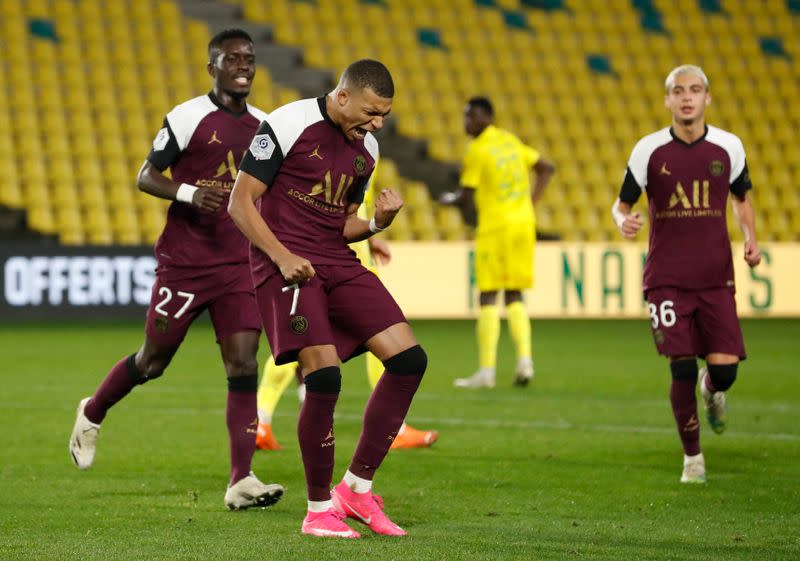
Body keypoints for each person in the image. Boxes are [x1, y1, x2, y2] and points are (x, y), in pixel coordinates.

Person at [68, 29, 284, 510]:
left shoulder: (267, 127)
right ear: (213, 67)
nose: (244, 66)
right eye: (233, 59)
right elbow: (146, 175)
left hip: (238, 264)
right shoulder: (188, 117)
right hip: (185, 264)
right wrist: (188, 193)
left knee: (244, 363)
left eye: (249, 58)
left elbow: (273, 192)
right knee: (153, 362)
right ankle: (92, 411)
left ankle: (241, 479)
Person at [229, 59, 427, 539]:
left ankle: (356, 490)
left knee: (409, 360)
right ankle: (318, 509)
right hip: (284, 266)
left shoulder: (368, 149)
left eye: (383, 115)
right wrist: (280, 256)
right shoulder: (286, 124)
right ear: (342, 97)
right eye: (370, 111)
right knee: (324, 377)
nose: (377, 123)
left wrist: (378, 224)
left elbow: (341, 223)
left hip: (335, 259)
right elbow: (241, 201)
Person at [611, 64, 761, 483]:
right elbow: (621, 204)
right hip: (666, 278)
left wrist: (751, 237)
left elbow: (741, 198)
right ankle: (692, 458)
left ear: (708, 97)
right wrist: (620, 221)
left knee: (726, 371)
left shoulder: (729, 147)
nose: (687, 97)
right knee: (679, 366)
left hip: (715, 277)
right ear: (668, 100)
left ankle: (711, 390)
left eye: (695, 90)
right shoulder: (649, 150)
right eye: (679, 91)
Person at [255, 188, 438, 451]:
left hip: (343, 252)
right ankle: (395, 428)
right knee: (377, 337)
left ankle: (261, 421)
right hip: (337, 260)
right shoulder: (339, 149)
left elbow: (354, 207)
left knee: (306, 340)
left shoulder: (366, 150)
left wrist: (370, 237)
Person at [439, 97, 555, 389]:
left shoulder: (477, 149)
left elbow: (466, 196)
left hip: (495, 227)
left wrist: (448, 199)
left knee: (488, 295)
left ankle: (487, 371)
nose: (466, 122)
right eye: (465, 116)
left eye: (471, 116)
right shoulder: (511, 141)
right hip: (524, 224)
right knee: (515, 294)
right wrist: (531, 203)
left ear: (487, 117)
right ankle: (525, 362)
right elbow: (546, 168)